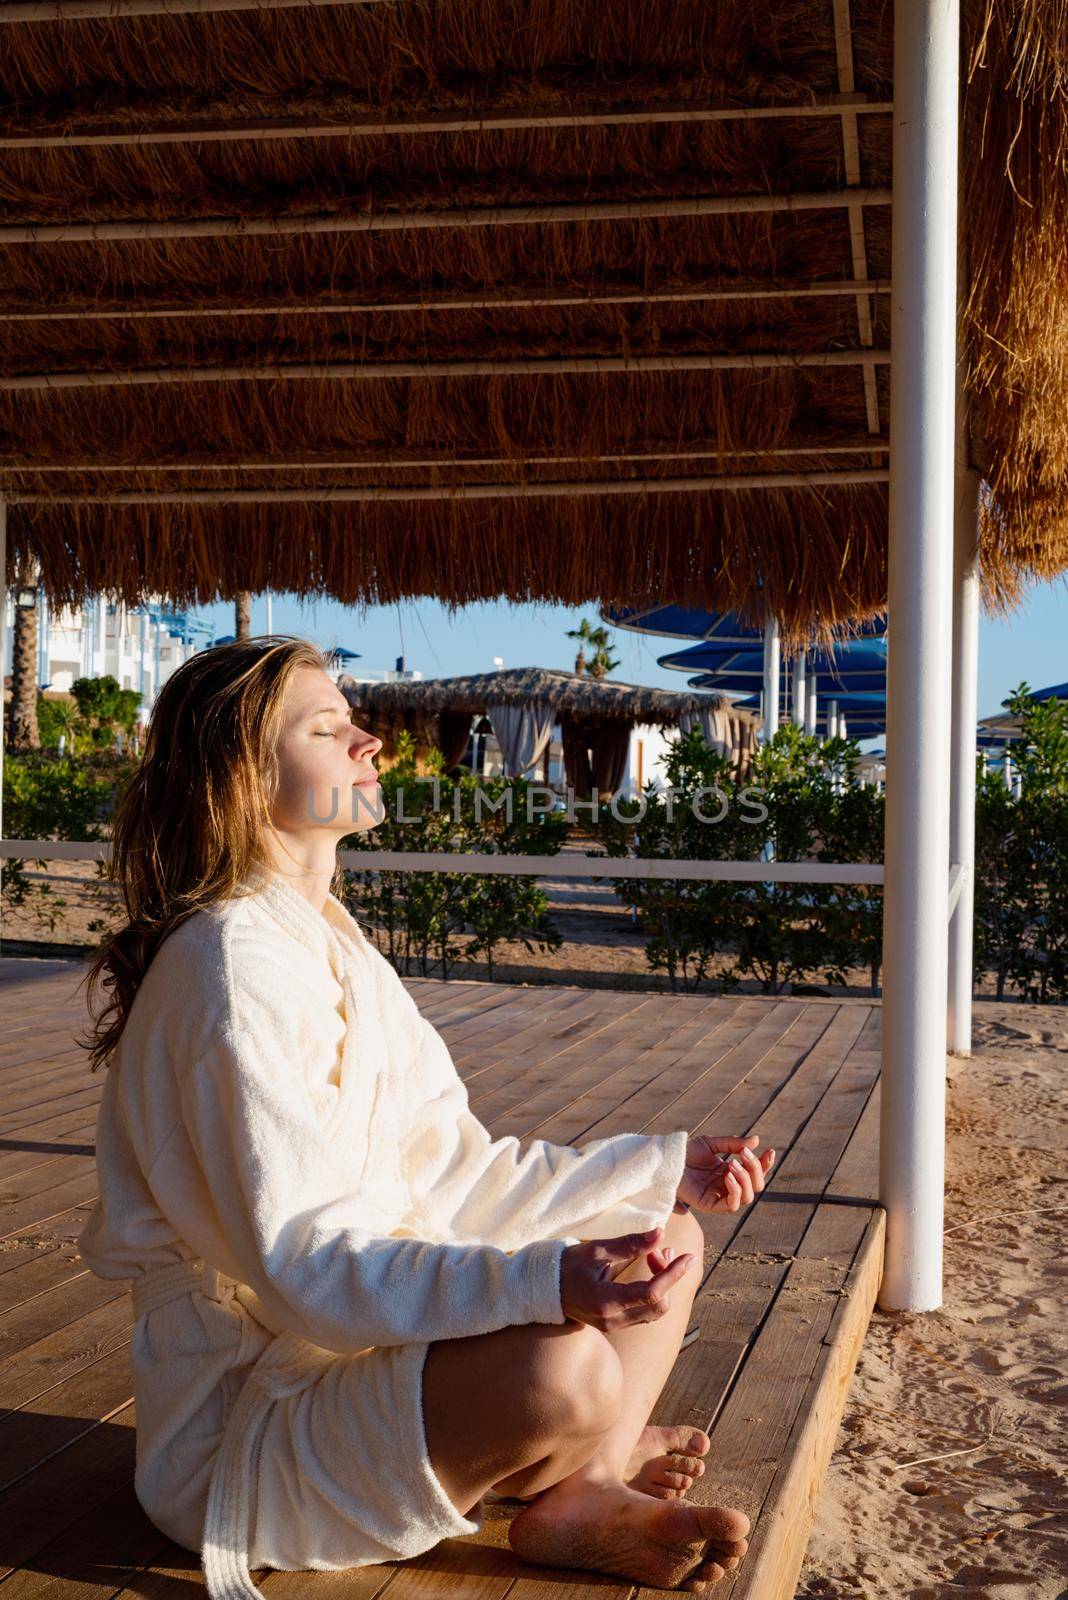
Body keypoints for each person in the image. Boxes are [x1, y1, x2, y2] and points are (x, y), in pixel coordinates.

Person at [77, 637, 774, 1600]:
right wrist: (545, 1281)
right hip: (249, 1429)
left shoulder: (334, 948)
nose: (369, 741)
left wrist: (658, 1169)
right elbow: (305, 1268)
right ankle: (575, 1448)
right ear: (243, 777)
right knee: (564, 1372)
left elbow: (456, 1170)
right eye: (328, 728)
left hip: (362, 1346)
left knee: (661, 1232)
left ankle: (585, 1482)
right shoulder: (231, 967)